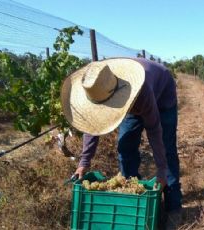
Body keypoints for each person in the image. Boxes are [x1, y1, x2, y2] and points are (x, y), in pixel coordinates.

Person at [60, 57, 182, 228]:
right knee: (125, 147)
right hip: (131, 100)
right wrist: (84, 162)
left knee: (167, 149)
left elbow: (154, 131)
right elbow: (93, 125)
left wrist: (161, 171)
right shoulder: (100, 88)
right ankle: (134, 196)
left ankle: (173, 206)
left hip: (162, 97)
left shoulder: (140, 89)